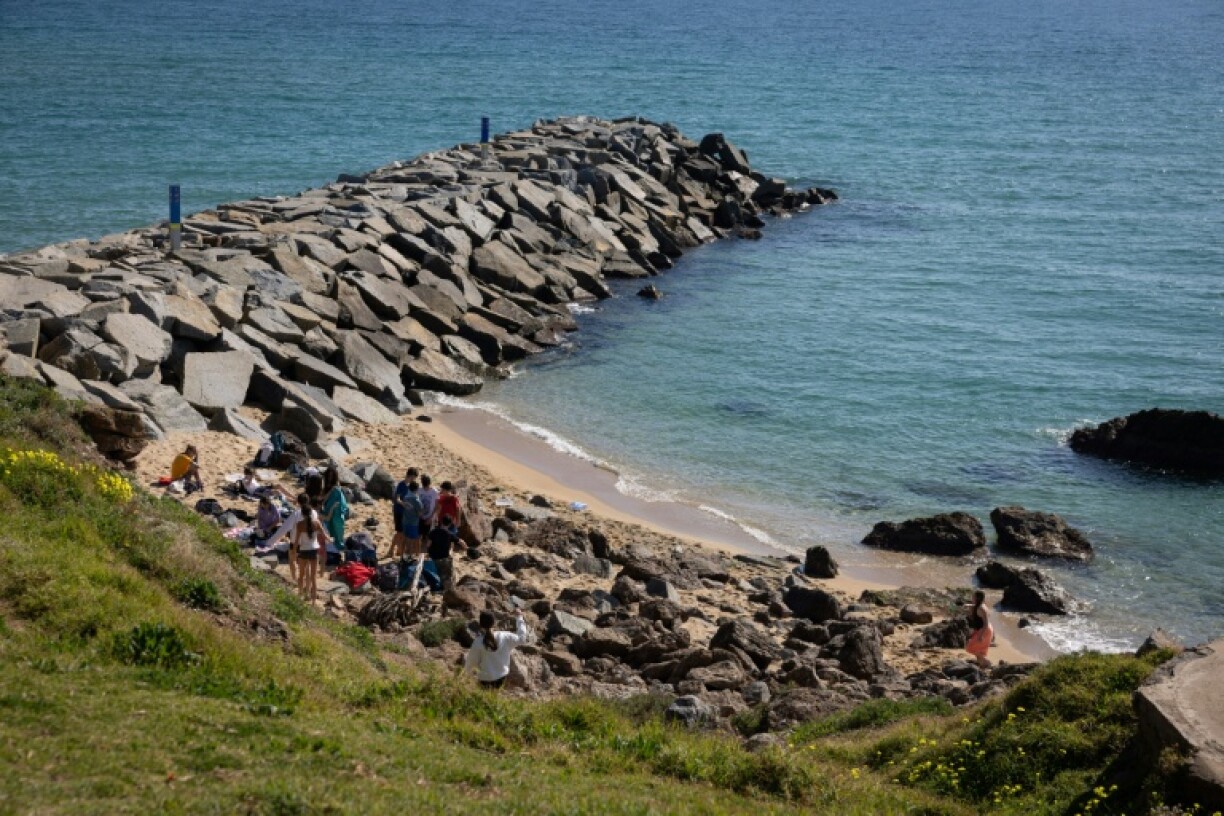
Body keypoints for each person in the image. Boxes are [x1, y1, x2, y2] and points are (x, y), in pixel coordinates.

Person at [265, 492, 323, 582]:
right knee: (306, 565)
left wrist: (270, 542)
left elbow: (284, 529)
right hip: (309, 543)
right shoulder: (314, 512)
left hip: (295, 542)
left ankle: (294, 579)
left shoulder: (296, 513)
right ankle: (306, 583)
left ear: (298, 502)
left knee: (292, 560)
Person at [463, 610, 528, 690]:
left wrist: (466, 676)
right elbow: (522, 639)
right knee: (496, 694)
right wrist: (519, 617)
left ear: (480, 625)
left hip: (484, 680)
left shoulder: (478, 642)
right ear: (494, 622)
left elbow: (471, 662)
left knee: (485, 696)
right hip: (501, 677)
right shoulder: (505, 636)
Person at [292, 495, 329, 602]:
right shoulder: (316, 522)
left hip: (304, 550)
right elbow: (324, 535)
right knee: (313, 577)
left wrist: (294, 552)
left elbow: (296, 541)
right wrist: (330, 540)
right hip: (314, 550)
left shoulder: (299, 524)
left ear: (302, 514)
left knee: (301, 574)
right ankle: (313, 601)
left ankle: (300, 595)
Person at [320, 466, 348, 557]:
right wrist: (331, 491)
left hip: (336, 510)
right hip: (327, 509)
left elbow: (339, 499)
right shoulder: (325, 487)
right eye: (329, 476)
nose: (330, 478)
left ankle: (338, 542)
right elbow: (322, 500)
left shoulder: (337, 487)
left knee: (337, 523)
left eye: (332, 476)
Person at [426, 514, 459, 591]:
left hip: (433, 557)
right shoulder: (450, 534)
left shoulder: (433, 532)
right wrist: (467, 548)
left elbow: (428, 545)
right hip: (444, 558)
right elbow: (460, 542)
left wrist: (429, 552)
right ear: (450, 524)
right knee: (448, 575)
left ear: (441, 522)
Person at [392, 467, 419, 553]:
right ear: (410, 476)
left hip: (405, 513)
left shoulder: (410, 486)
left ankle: (399, 550)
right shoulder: (401, 485)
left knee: (403, 532)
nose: (414, 479)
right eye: (414, 477)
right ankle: (391, 550)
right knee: (399, 532)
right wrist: (404, 504)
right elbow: (397, 499)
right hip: (399, 511)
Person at [394, 481, 424, 560]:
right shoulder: (417, 500)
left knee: (404, 539)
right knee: (411, 540)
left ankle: (402, 556)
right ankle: (409, 557)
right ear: (416, 489)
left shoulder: (406, 497)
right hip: (413, 523)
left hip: (405, 521)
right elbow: (420, 514)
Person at [964, 589, 994, 669]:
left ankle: (987, 663)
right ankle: (982, 665)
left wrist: (981, 635)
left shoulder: (981, 608)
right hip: (981, 629)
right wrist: (968, 605)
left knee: (970, 647)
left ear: (977, 598)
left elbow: (985, 623)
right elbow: (974, 606)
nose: (972, 598)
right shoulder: (980, 605)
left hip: (985, 630)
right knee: (978, 649)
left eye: (973, 596)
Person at [417, 474, 439, 539]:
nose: (425, 488)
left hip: (429, 518)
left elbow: (437, 506)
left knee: (428, 536)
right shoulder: (419, 490)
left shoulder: (434, 492)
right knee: (419, 535)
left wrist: (431, 518)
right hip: (420, 517)